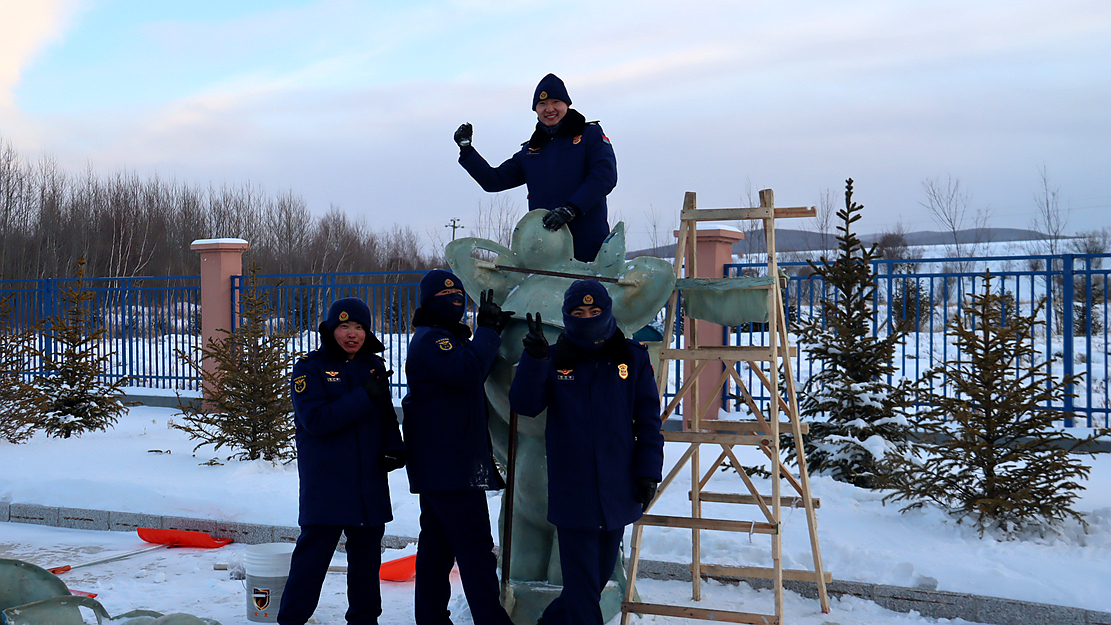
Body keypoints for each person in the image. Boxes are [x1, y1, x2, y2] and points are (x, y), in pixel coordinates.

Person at [508, 279, 664, 625]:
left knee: (591, 583)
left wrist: (648, 472)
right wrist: (533, 361)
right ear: (567, 316)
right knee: (581, 591)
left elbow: (649, 423)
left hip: (618, 489)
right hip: (573, 490)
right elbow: (524, 405)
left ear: (608, 311)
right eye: (579, 312)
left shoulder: (632, 359)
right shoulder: (553, 359)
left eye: (595, 311)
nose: (588, 317)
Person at [278, 297, 406, 625]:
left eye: (359, 327)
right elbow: (316, 420)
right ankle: (291, 620)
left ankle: (365, 621)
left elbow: (385, 414)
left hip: (368, 483)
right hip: (328, 483)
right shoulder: (310, 367)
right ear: (331, 329)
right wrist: (364, 395)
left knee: (365, 565)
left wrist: (394, 445)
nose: (352, 334)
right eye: (344, 326)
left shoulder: (373, 366)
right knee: (311, 562)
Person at [402, 269, 515, 625]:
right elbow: (468, 372)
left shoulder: (443, 336)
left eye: (457, 294)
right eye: (444, 295)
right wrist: (488, 331)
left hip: (443, 464)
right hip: (449, 466)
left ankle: (432, 619)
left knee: (437, 548)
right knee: (476, 549)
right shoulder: (434, 340)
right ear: (428, 301)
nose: (453, 300)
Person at [454, 73, 618, 263]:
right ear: (536, 109)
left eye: (556, 102)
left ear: (567, 104)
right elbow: (493, 180)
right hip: (546, 251)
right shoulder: (531, 151)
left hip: (588, 249)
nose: (549, 109)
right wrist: (466, 150)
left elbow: (604, 177)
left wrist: (572, 209)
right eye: (542, 104)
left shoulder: (590, 136)